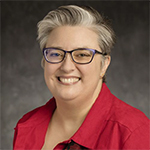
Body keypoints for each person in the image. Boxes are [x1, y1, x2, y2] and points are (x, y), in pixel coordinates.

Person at [13, 5, 149, 150]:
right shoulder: (26, 126)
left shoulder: (133, 133)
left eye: (82, 55)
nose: (66, 67)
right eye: (56, 54)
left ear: (104, 65)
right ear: (44, 61)